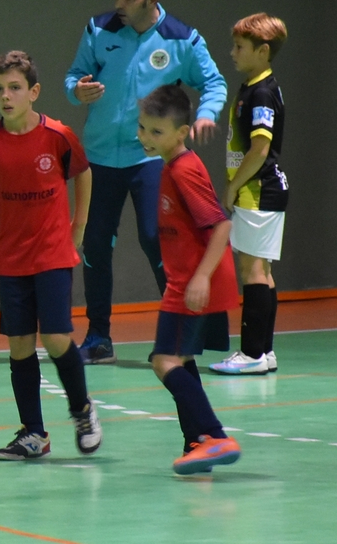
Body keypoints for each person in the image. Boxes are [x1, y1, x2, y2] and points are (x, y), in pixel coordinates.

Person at [65, 0, 228, 365]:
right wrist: (77, 91)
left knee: (158, 239)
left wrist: (206, 112)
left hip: (150, 160)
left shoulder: (181, 39)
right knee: (96, 245)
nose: (118, 2)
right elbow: (74, 77)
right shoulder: (99, 29)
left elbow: (214, 82)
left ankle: (179, 332)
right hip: (101, 157)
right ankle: (99, 338)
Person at [0, 51, 102, 461]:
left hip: (54, 254)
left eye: (14, 88)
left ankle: (82, 410)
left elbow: (84, 174)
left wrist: (77, 228)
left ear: (34, 92)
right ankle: (34, 434)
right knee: (20, 346)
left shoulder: (58, 136)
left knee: (58, 338)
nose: (5, 97)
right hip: (11, 259)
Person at [137, 84, 241, 474]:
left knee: (164, 360)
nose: (146, 137)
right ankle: (196, 440)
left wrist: (200, 278)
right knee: (181, 359)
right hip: (185, 280)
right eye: (143, 128)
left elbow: (221, 226)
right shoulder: (171, 165)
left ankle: (214, 436)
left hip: (193, 284)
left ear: (182, 134)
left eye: (156, 132)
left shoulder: (184, 170)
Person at [209, 13, 289, 376]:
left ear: (263, 51)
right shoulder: (253, 87)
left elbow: (259, 148)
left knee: (252, 270)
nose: (232, 53)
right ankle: (265, 351)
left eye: (240, 47)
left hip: (257, 193)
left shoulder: (261, 93)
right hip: (261, 193)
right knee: (264, 271)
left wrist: (232, 185)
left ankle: (252, 353)